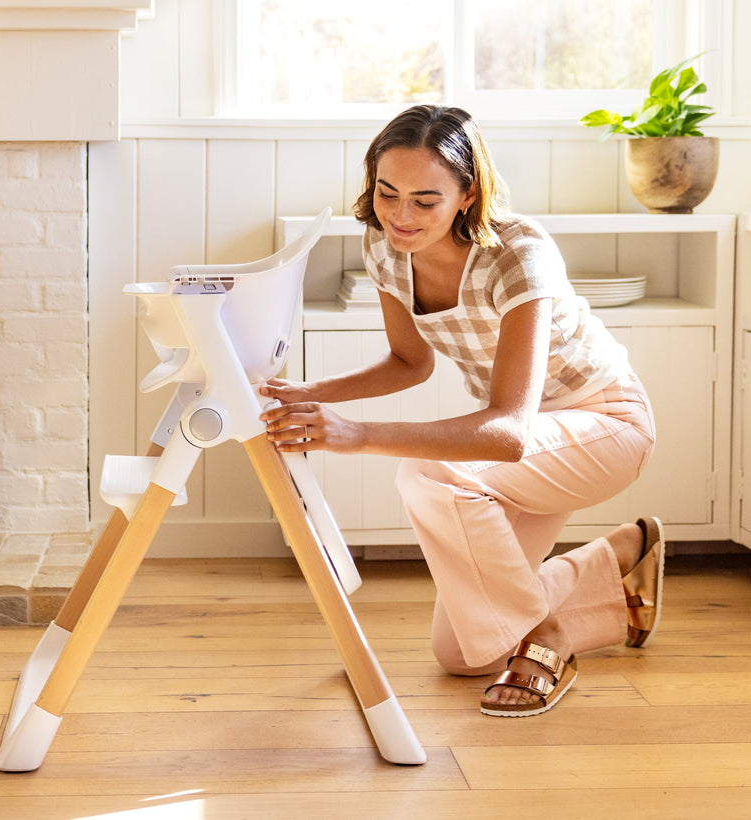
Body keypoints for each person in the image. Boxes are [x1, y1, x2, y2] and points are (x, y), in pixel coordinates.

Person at [258, 104, 664, 717]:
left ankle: (547, 638)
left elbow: (506, 433)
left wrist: (355, 433)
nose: (400, 216)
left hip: (603, 424)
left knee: (425, 471)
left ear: (468, 194)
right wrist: (313, 393)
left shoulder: (516, 255)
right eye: (387, 192)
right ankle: (622, 558)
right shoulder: (386, 245)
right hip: (526, 445)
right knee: (465, 653)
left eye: (425, 201)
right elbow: (408, 361)